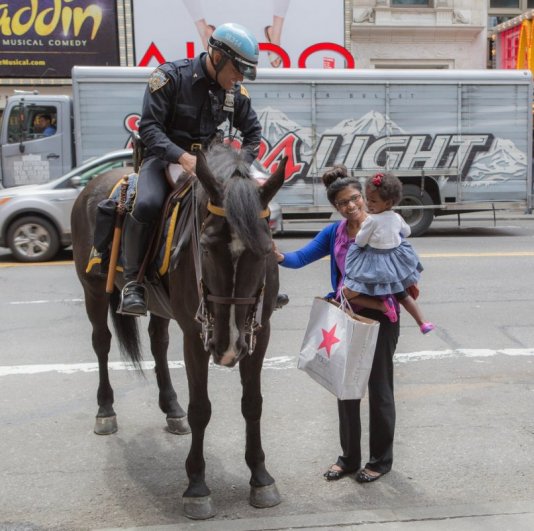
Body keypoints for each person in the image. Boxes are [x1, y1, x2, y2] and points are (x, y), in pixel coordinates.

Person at [120, 22, 288, 315]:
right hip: (164, 160)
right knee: (146, 204)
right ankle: (134, 282)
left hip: (215, 165)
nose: (238, 77)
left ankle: (264, 281)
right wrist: (181, 157)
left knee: (253, 207)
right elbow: (149, 127)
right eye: (236, 69)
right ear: (217, 56)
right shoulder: (169, 77)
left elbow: (253, 135)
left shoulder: (235, 92)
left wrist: (239, 167)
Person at [273, 165, 400, 483]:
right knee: (346, 389)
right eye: (343, 202)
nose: (352, 205)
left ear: (363, 196)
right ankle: (349, 459)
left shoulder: (381, 226)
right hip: (346, 316)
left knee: (379, 389)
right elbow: (299, 258)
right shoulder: (335, 233)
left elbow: (399, 270)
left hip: (380, 317)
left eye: (356, 197)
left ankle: (380, 461)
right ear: (336, 207)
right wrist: (272, 254)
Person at [343, 172, 434, 334]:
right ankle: (422, 322)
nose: (369, 204)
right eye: (368, 199)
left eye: (373, 201)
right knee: (403, 295)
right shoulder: (397, 217)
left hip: (375, 264)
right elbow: (406, 232)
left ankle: (383, 306)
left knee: (352, 292)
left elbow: (361, 240)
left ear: (388, 202)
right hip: (394, 263)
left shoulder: (371, 220)